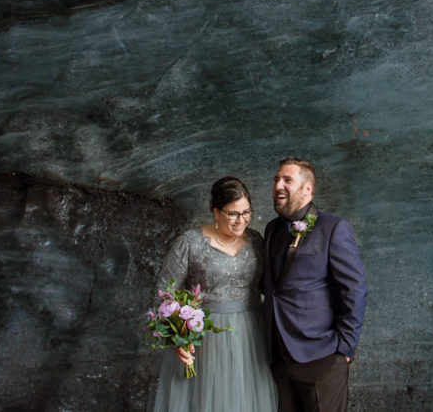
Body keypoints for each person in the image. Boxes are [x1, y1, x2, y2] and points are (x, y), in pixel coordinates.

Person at [150, 176, 278, 412]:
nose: (242, 220)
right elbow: (165, 295)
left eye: (246, 212)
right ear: (216, 211)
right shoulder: (190, 243)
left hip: (252, 336)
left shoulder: (257, 241)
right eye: (233, 214)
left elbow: (267, 287)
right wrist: (178, 338)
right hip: (205, 340)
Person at [262, 158, 368, 412]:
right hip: (279, 357)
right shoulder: (271, 230)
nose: (278, 185)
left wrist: (345, 348)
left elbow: (355, 289)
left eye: (287, 180)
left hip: (323, 358)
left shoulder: (334, 228)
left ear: (307, 189)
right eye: (277, 179)